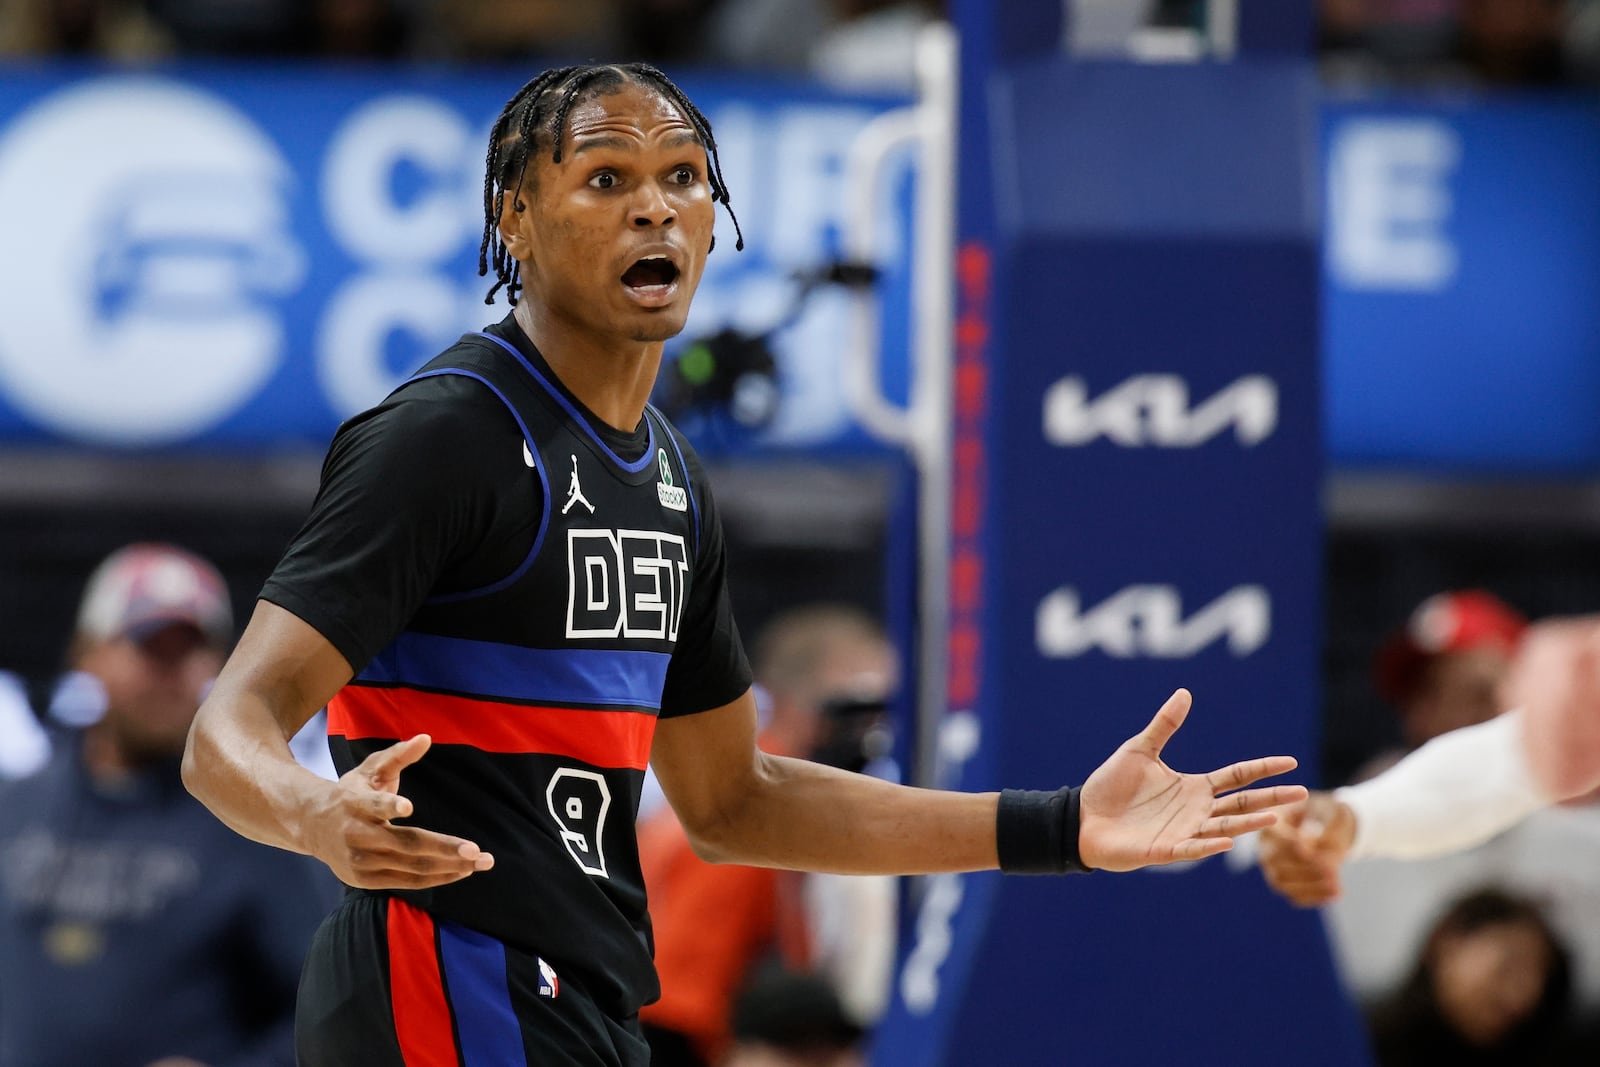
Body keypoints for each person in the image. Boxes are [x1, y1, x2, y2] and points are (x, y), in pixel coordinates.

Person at [180, 62, 1306, 1067]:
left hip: (591, 1001)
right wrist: (314, 812)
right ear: (513, 217)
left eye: (681, 176)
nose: (655, 205)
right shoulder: (448, 435)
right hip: (446, 976)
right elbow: (228, 726)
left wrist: (1056, 826)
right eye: (607, 178)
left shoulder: (671, 477)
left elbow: (732, 799)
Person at [0, 543, 338, 1067]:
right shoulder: (17, 808)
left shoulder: (253, 827)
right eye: (149, 647)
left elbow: (326, 1011)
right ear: (87, 653)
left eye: (190, 650)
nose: (171, 672)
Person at [639, 605, 897, 1066]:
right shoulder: (750, 810)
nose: (876, 728)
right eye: (861, 705)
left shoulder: (751, 790)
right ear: (801, 706)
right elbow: (675, 1002)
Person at [1364, 887, 1577, 1067]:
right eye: (1509, 966)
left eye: (1541, 980)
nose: (1520, 998)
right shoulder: (1355, 1040)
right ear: (1447, 941)